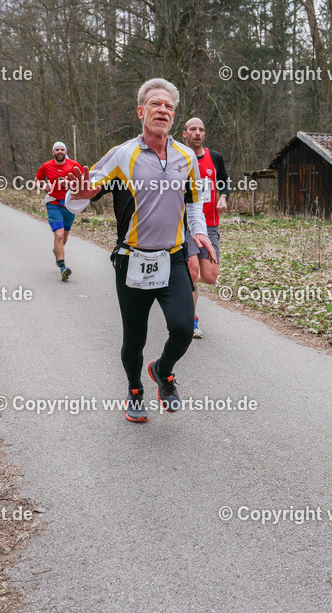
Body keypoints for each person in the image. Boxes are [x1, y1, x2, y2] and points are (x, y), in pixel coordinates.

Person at [65, 78, 215, 423]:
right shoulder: (122, 155)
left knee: (182, 328)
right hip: (132, 261)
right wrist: (79, 193)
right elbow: (78, 201)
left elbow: (194, 205)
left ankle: (163, 370)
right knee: (135, 338)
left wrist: (200, 234)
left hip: (174, 258)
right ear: (140, 112)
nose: (162, 110)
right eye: (155, 104)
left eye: (168, 106)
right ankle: (135, 388)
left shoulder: (186, 157)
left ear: (173, 116)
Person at [182, 117, 229, 339]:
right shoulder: (178, 157)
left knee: (210, 276)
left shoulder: (215, 157)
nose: (197, 133)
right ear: (185, 134)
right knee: (192, 271)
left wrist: (224, 196)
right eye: (193, 129)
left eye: (201, 129)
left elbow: (224, 181)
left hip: (210, 222)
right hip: (187, 223)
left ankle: (177, 280)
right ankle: (192, 321)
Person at [36, 141, 82, 281]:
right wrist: (45, 185)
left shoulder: (74, 165)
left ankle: (57, 251)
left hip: (69, 205)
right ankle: (63, 267)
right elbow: (37, 180)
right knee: (59, 235)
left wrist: (70, 184)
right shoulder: (47, 166)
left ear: (65, 151)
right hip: (53, 203)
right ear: (53, 152)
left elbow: (85, 182)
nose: (60, 152)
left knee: (64, 237)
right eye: (57, 150)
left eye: (62, 149)